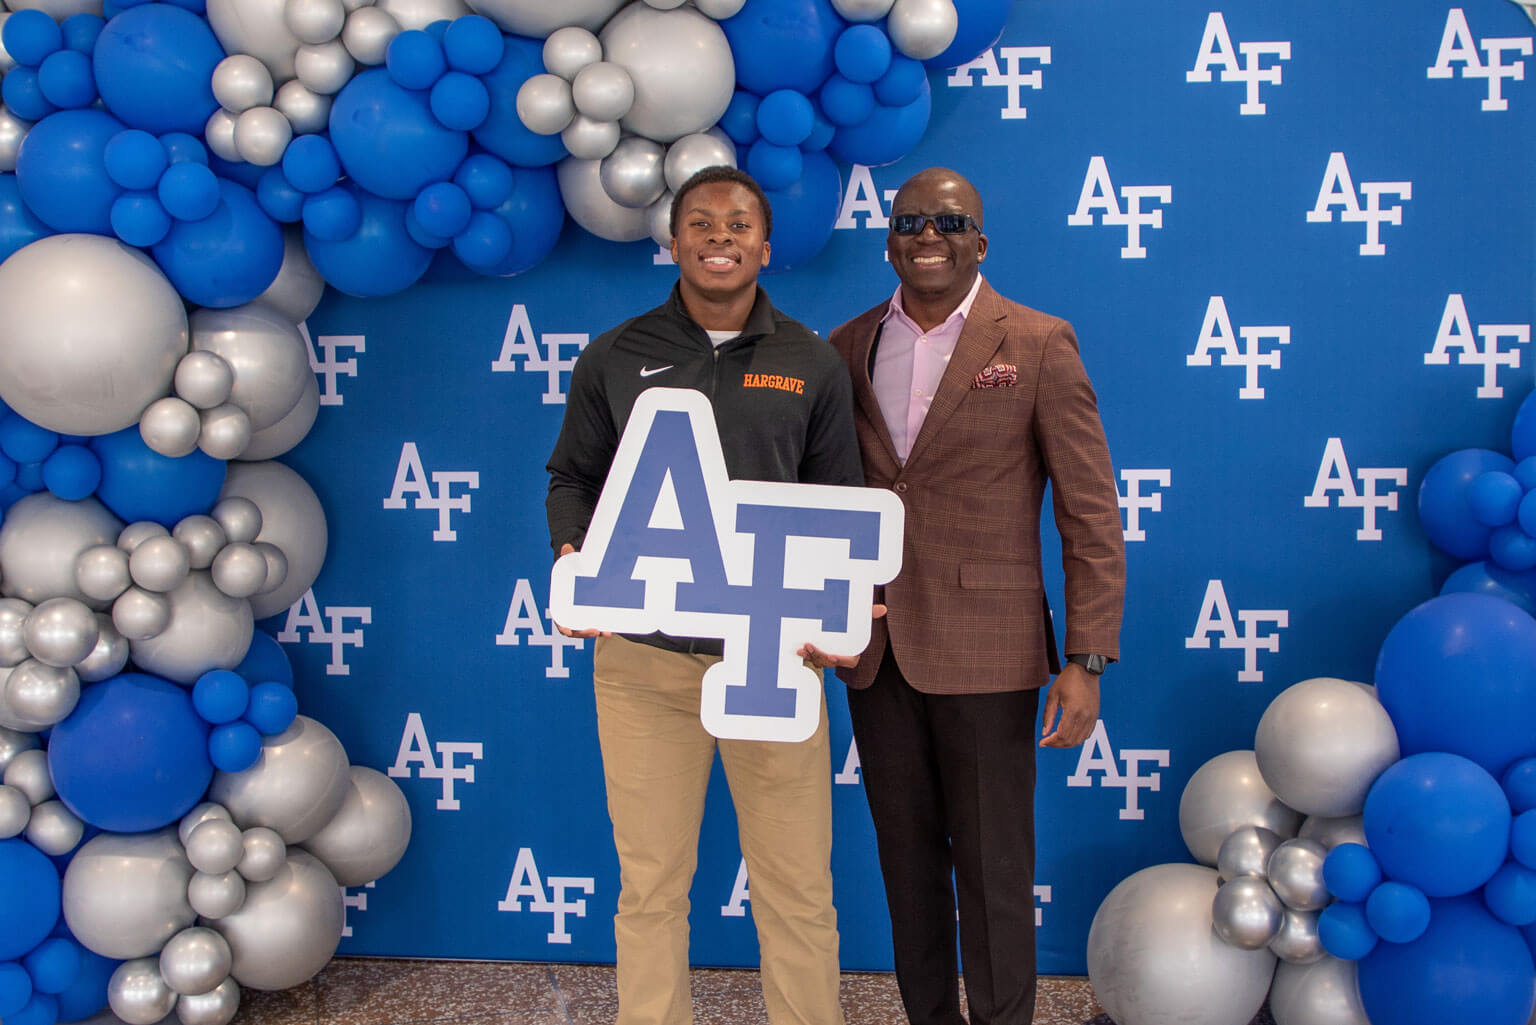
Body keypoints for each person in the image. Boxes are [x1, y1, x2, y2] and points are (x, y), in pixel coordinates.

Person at [546, 166, 860, 1025]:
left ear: (765, 244)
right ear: (673, 241)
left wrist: (844, 612)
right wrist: (576, 556)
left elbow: (837, 503)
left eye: (738, 224)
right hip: (645, 664)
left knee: (797, 885)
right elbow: (572, 475)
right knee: (650, 884)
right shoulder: (615, 354)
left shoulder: (812, 361)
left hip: (774, 663)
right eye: (700, 222)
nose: (719, 236)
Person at [823, 167, 1126, 1025]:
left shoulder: (1036, 340)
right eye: (912, 220)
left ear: (980, 243)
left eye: (950, 222)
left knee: (994, 869)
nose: (929, 235)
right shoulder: (844, 346)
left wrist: (1086, 657)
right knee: (906, 865)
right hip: (875, 648)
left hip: (992, 649)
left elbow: (1090, 509)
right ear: (888, 239)